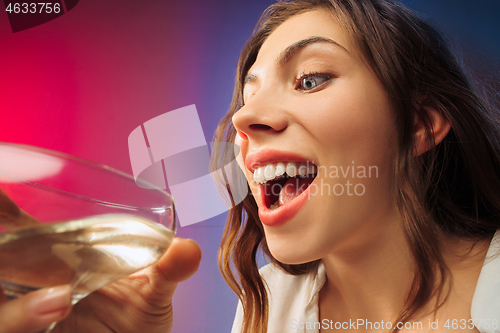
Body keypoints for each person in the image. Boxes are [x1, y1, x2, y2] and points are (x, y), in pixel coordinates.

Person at [212, 0, 500, 332]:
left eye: (310, 80)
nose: (243, 118)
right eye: (249, 98)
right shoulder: (267, 305)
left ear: (418, 123)